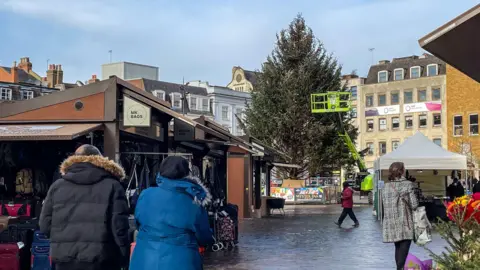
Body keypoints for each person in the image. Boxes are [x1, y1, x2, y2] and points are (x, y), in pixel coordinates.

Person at [40, 144, 130, 270]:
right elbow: (119, 228)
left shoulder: (57, 186)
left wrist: (62, 240)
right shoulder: (113, 186)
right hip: (102, 259)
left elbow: (44, 225)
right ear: (100, 160)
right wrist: (124, 256)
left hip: (65, 259)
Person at [130, 156, 214, 270]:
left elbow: (138, 223)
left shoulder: (146, 194)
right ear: (186, 174)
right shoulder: (193, 202)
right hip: (181, 261)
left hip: (145, 259)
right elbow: (204, 237)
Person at [382, 162, 419, 270]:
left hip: (391, 222)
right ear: (402, 171)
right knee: (403, 250)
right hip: (405, 221)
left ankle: (399, 268)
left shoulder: (386, 186)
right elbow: (414, 205)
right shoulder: (407, 184)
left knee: (398, 248)